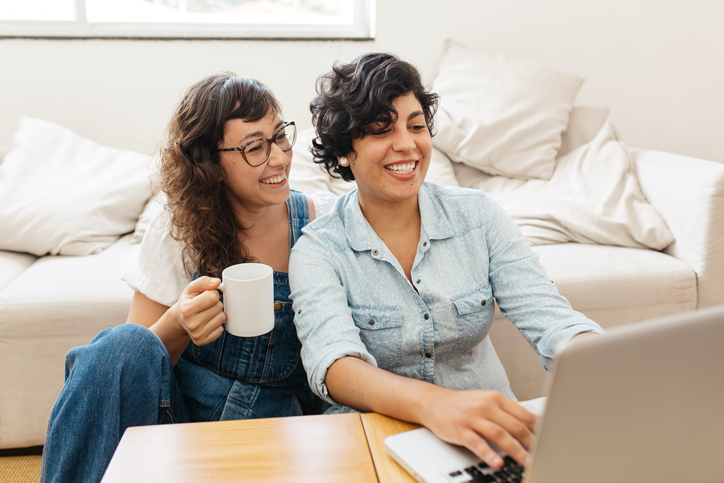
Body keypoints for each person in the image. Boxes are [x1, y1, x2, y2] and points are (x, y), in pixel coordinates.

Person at [288, 53, 604, 471]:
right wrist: (436, 406)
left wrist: (599, 358)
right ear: (345, 151)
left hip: (490, 444)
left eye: (416, 126)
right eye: (382, 130)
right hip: (375, 443)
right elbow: (335, 366)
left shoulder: (479, 217)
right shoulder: (318, 249)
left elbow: (549, 316)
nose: (407, 144)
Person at [41, 73, 336, 482]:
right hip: (180, 433)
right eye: (255, 147)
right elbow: (133, 367)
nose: (279, 158)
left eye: (280, 136)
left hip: (275, 440)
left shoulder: (320, 221)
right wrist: (178, 324)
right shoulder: (178, 229)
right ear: (211, 163)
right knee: (121, 345)